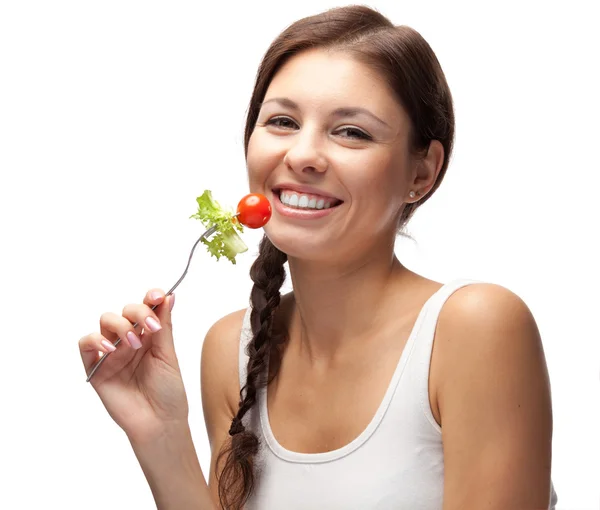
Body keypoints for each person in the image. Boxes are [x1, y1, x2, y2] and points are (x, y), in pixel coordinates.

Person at [79, 5, 558, 509]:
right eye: (282, 121)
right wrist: (161, 436)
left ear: (421, 173)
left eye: (352, 132)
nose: (303, 155)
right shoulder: (230, 351)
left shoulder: (475, 329)